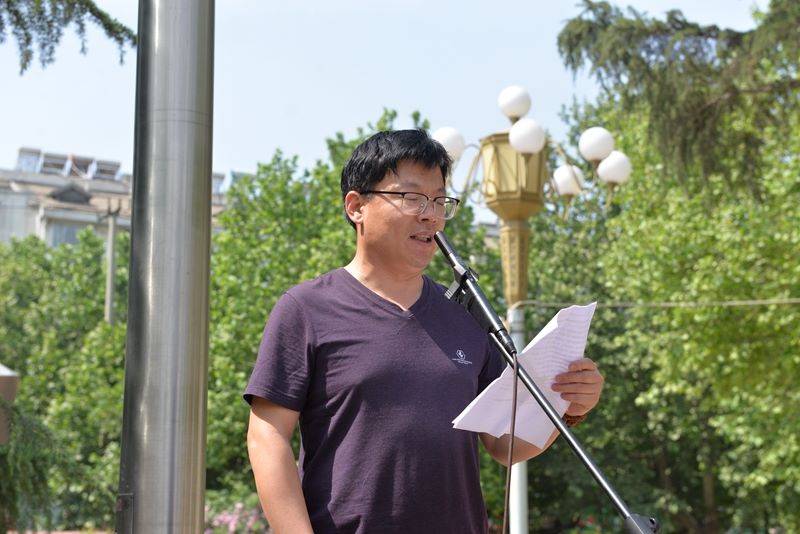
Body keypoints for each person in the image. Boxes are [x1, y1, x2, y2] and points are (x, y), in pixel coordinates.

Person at [244, 129, 604, 534]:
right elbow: (267, 436)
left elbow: (504, 444)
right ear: (356, 206)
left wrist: (567, 404)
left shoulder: (466, 316)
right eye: (412, 197)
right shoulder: (307, 309)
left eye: (439, 200)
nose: (430, 215)